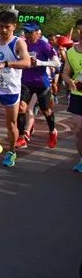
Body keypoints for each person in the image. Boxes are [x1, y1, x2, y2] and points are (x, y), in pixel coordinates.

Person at [0, 10, 31, 167]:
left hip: (11, 89)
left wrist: (6, 64)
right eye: (1, 26)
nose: (3, 30)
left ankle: (11, 151)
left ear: (14, 27)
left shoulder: (18, 43)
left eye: (7, 27)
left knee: (11, 124)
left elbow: (27, 62)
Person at [18, 21, 61, 149]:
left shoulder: (44, 45)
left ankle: (52, 131)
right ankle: (22, 137)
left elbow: (57, 63)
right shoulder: (22, 44)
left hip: (41, 83)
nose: (27, 35)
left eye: (30, 32)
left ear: (37, 32)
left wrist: (40, 63)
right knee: (21, 108)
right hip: (25, 82)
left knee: (46, 111)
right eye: (26, 32)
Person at [61, 31, 82, 173]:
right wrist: (70, 81)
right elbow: (65, 73)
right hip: (77, 94)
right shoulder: (71, 52)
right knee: (78, 129)